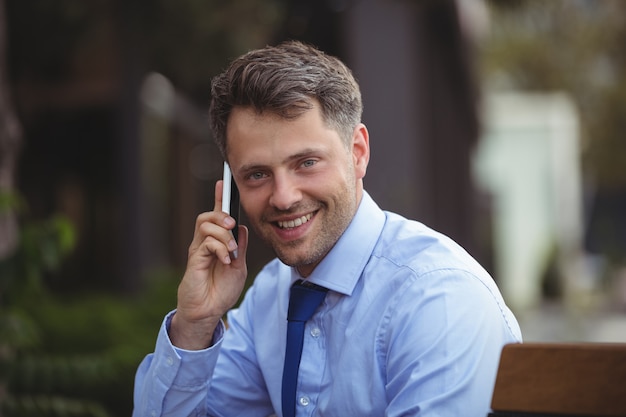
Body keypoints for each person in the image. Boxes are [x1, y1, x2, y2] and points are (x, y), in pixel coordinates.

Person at [133, 40, 522, 417]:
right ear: (230, 188)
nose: (283, 197)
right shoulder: (268, 297)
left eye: (306, 163)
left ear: (358, 153)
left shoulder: (438, 297)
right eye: (256, 174)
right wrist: (194, 325)